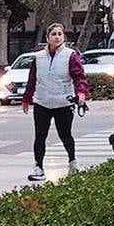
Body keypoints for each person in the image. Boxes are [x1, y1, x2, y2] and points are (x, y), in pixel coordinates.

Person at [21, 22, 89, 182]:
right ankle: (38, 167)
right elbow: (32, 80)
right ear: (47, 38)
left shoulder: (70, 55)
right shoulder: (38, 58)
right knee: (40, 136)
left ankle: (72, 163)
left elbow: (79, 77)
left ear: (63, 37)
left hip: (63, 103)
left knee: (65, 135)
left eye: (60, 34)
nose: (57, 37)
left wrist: (81, 93)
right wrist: (26, 98)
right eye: (54, 34)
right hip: (42, 102)